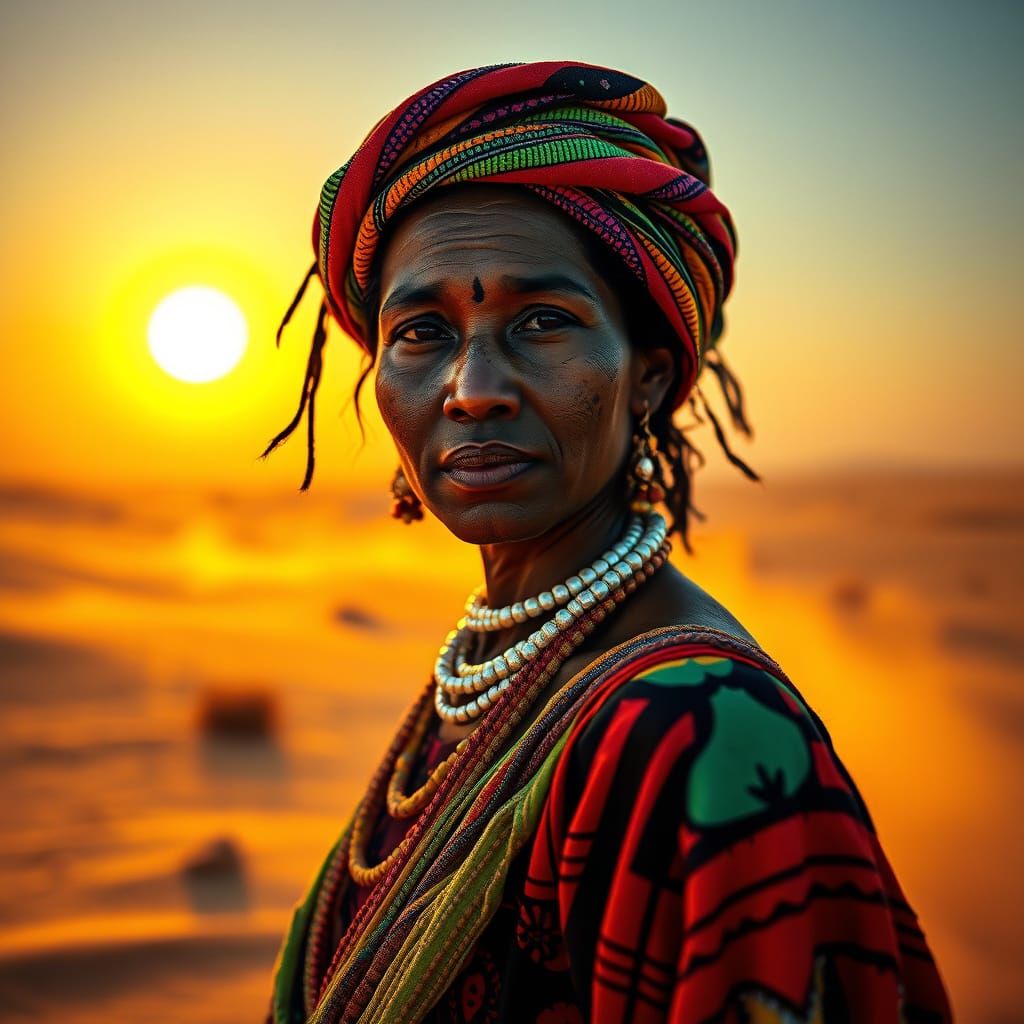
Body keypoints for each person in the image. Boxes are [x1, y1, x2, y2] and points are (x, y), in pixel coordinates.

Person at [260, 62, 953, 1024]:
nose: (471, 387)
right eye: (420, 331)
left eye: (542, 321)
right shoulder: (495, 666)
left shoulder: (703, 736)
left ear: (651, 378)